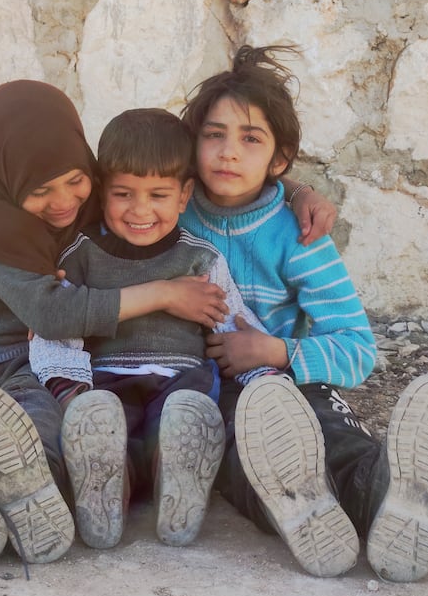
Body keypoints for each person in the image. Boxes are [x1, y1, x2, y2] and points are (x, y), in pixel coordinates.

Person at [0, 80, 232, 570]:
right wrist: (165, 293)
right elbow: (51, 314)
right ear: (11, 178)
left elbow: (161, 178)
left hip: (35, 365)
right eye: (40, 191)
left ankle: (14, 499)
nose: (63, 202)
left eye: (76, 180)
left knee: (45, 433)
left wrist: (296, 191)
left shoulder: (93, 191)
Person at [178, 45, 428, 581]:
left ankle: (391, 497)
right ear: (191, 143)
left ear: (280, 159)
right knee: (237, 458)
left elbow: (357, 349)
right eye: (214, 134)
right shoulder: (167, 214)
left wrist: (277, 350)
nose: (228, 153)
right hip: (213, 392)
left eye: (251, 139)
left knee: (335, 439)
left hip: (294, 383)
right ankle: (304, 508)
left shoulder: (300, 235)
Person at [29, 108, 275, 551]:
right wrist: (71, 391)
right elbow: (58, 331)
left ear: (184, 196)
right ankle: (108, 494)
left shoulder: (200, 259)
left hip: (181, 382)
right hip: (107, 385)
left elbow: (234, 322)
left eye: (158, 195)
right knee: (105, 433)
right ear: (103, 192)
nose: (140, 210)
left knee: (182, 419)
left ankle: (177, 480)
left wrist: (264, 374)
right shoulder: (82, 256)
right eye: (124, 194)